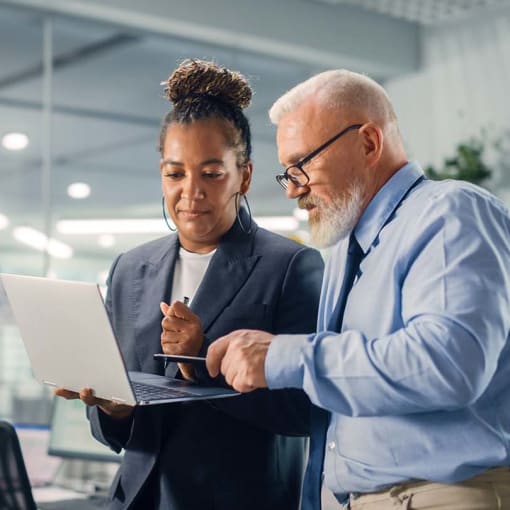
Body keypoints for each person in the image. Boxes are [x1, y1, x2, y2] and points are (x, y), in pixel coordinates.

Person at [206, 68, 510, 509]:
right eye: (287, 172)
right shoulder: (346, 251)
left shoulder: (449, 213)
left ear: (368, 143)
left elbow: (446, 365)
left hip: (442, 496)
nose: (294, 190)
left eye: (302, 164)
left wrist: (284, 354)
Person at [56, 59, 324, 510]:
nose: (191, 192)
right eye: (175, 173)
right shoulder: (130, 268)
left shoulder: (291, 266)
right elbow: (117, 427)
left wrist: (201, 359)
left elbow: (306, 411)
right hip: (137, 500)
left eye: (212, 173)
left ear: (245, 175)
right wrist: (111, 407)